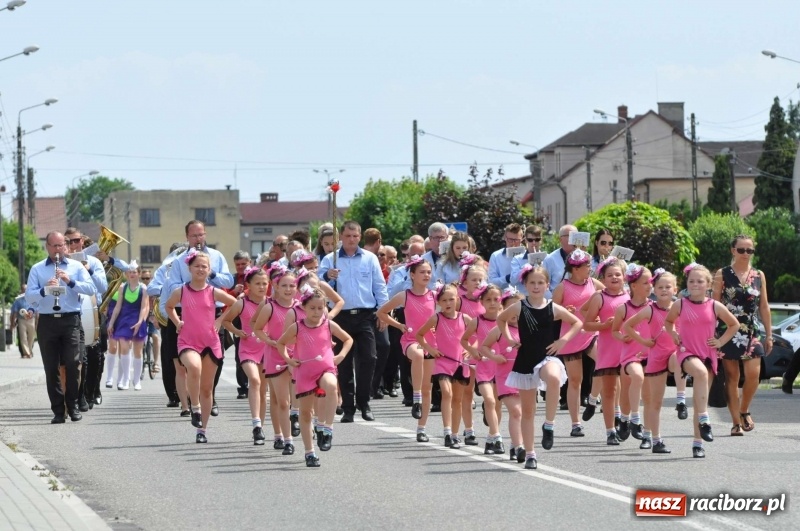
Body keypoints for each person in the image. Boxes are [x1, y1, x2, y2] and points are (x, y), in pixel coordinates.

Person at [496, 265, 581, 469]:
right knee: (528, 411)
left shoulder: (553, 307)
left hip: (547, 356)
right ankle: (530, 454)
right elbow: (501, 319)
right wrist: (508, 337)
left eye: (540, 282)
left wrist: (562, 341)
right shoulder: (519, 307)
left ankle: (549, 424)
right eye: (532, 283)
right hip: (526, 359)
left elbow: (577, 323)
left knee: (553, 377)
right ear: (525, 285)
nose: (536, 286)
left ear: (547, 285)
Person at [665, 263, 739, 458]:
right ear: (686, 284)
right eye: (691, 281)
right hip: (686, 351)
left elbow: (734, 324)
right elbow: (668, 321)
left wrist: (720, 341)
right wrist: (673, 333)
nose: (695, 284)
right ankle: (706, 420)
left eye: (699, 281)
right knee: (699, 373)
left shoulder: (714, 305)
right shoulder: (680, 304)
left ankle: (698, 444)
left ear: (708, 285)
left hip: (708, 354)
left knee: (699, 401)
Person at [318, 220, 389, 423]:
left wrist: (384, 311)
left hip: (366, 314)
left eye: (355, 236)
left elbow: (379, 285)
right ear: (341, 237)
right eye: (348, 236)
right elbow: (316, 282)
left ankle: (364, 402)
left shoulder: (369, 258)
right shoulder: (331, 259)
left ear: (360, 237)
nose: (351, 240)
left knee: (370, 357)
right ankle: (348, 407)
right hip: (340, 315)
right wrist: (327, 275)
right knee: (344, 361)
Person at [277, 287, 353, 467]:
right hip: (305, 373)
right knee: (305, 413)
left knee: (331, 385)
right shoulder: (297, 327)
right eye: (312, 308)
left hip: (326, 368)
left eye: (320, 308)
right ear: (303, 307)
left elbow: (348, 339)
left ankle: (327, 428)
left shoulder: (328, 324)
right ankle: (309, 452)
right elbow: (281, 343)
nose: (317, 312)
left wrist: (341, 355)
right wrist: (289, 359)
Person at [166, 250, 237, 443]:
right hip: (188, 340)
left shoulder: (214, 292)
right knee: (193, 367)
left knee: (207, 390)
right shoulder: (181, 290)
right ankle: (194, 406)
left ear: (209, 269)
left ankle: (202, 430)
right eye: (196, 266)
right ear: (189, 268)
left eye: (204, 266)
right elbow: (169, 306)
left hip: (211, 342)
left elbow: (236, 304)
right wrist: (177, 321)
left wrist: (220, 320)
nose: (200, 269)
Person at [26, 231, 96, 423]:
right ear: (47, 247)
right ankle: (58, 410)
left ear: (65, 246)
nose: (58, 250)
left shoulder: (75, 267)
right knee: (51, 368)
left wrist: (69, 281)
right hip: (47, 321)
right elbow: (29, 297)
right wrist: (44, 289)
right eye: (54, 246)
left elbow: (91, 289)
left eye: (61, 245)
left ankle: (72, 405)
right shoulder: (37, 269)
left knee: (73, 364)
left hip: (70, 320)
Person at [712, 235, 772, 435]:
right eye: (741, 250)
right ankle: (735, 422)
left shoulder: (758, 275)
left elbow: (764, 306)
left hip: (751, 330)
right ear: (733, 250)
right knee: (732, 377)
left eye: (750, 250)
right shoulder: (722, 274)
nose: (746, 254)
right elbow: (714, 305)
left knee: (754, 375)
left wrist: (769, 335)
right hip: (728, 329)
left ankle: (744, 409)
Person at [378, 255, 436, 441]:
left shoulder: (435, 296)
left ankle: (421, 429)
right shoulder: (405, 295)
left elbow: (450, 312)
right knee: (417, 355)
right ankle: (415, 397)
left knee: (428, 387)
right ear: (412, 274)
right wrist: (399, 326)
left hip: (431, 342)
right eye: (422, 272)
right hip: (411, 340)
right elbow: (381, 312)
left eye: (428, 272)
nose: (426, 275)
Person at [623, 268, 679, 454]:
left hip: (674, 355)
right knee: (653, 401)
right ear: (654, 289)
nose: (664, 290)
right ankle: (652, 438)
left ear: (675, 289)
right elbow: (628, 326)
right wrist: (643, 341)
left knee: (678, 359)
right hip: (654, 357)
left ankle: (681, 399)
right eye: (660, 287)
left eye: (668, 287)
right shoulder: (650, 309)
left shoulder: (680, 308)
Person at [551, 249, 604, 438]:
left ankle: (592, 399)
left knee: (603, 364)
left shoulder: (593, 283)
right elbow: (550, 314)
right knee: (575, 380)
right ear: (575, 269)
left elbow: (606, 299)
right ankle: (576, 423)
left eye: (590, 264)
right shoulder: (562, 287)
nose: (590, 268)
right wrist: (564, 310)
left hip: (591, 333)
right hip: (571, 336)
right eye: (587, 265)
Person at [415, 283, 472, 449]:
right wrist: (431, 349)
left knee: (458, 400)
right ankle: (447, 432)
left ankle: (455, 434)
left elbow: (477, 337)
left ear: (457, 300)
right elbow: (419, 335)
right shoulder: (436, 318)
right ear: (438, 302)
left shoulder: (465, 318)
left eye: (451, 299)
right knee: (446, 393)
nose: (448, 303)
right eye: (444, 300)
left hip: (460, 363)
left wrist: (470, 349)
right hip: (442, 362)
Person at [580, 257, 629, 444]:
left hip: (627, 349)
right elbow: (587, 323)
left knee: (628, 388)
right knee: (609, 391)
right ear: (603, 278)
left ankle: (626, 420)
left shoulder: (630, 298)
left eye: (618, 274)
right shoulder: (600, 297)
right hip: (608, 349)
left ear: (624, 277)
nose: (614, 278)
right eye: (610, 275)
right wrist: (603, 325)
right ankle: (610, 431)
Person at [252, 265, 299, 453]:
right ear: (276, 287)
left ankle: (296, 421)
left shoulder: (302, 307)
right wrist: (269, 341)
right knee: (281, 400)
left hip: (297, 356)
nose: (288, 290)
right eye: (284, 286)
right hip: (275, 356)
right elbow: (256, 328)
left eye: (292, 286)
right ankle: (284, 438)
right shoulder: (269, 307)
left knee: (298, 398)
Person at [222, 266, 269, 445]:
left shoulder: (270, 303)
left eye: (265, 283)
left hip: (266, 348)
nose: (262, 287)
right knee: (254, 381)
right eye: (257, 283)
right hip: (247, 349)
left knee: (263, 389)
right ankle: (256, 423)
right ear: (248, 284)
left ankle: (260, 429)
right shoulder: (242, 303)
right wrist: (238, 331)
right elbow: (226, 320)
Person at [65, 227, 108, 412]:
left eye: (75, 240)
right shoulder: (62, 263)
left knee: (95, 355)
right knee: (78, 357)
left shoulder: (94, 261)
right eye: (68, 242)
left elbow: (103, 287)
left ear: (82, 240)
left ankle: (91, 392)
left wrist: (88, 269)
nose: (73, 245)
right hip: (73, 311)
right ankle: (80, 395)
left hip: (94, 311)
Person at [611, 263, 653, 445]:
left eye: (651, 282)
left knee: (649, 396)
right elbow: (614, 330)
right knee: (631, 387)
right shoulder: (623, 308)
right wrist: (622, 337)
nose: (650, 285)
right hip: (630, 355)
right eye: (646, 282)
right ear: (634, 286)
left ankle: (647, 433)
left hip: (650, 355)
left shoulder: (654, 306)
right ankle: (627, 419)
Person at [480, 287, 524, 460]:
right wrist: (494, 356)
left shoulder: (528, 328)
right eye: (509, 308)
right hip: (505, 377)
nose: (513, 313)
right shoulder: (499, 329)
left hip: (525, 375)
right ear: (503, 309)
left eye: (517, 308)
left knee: (523, 413)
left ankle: (513, 444)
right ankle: (519, 447)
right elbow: (484, 347)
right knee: (516, 411)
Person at [461, 283, 503, 454]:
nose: (492, 303)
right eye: (488, 300)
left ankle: (491, 437)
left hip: (501, 367)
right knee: (489, 400)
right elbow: (464, 340)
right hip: (484, 367)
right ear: (482, 302)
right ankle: (498, 437)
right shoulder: (477, 321)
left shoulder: (505, 320)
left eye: (496, 299)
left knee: (498, 404)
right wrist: (473, 352)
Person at [146, 242, 188, 410]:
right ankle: (173, 394)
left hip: (189, 316)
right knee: (170, 358)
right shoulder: (163, 270)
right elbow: (151, 288)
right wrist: (169, 288)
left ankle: (191, 395)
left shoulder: (190, 269)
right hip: (169, 317)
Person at [106, 261, 150, 390]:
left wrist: (140, 321)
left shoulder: (143, 289)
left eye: (134, 272)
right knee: (124, 348)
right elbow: (118, 307)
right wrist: (112, 322)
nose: (132, 274)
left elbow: (143, 307)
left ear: (139, 274)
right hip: (124, 321)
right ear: (127, 274)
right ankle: (125, 379)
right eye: (130, 272)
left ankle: (136, 381)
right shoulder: (122, 287)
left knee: (138, 351)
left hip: (137, 320)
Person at [227, 250, 252, 400]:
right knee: (240, 352)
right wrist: (233, 292)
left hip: (255, 317)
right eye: (238, 265)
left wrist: (247, 292)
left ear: (250, 263)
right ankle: (243, 386)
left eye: (244, 264)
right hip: (237, 319)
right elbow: (223, 297)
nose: (241, 267)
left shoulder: (255, 276)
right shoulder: (232, 279)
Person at [542, 224, 578, 296]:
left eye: (575, 235)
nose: (573, 239)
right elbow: (544, 285)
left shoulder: (586, 257)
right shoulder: (550, 259)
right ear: (560, 239)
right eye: (569, 235)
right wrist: (553, 301)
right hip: (557, 302)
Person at [488, 223, 524, 290]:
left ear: (521, 239)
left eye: (516, 240)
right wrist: (506, 278)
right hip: (503, 297)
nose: (513, 243)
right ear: (505, 238)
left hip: (524, 296)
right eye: (510, 240)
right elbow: (491, 282)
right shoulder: (496, 256)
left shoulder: (527, 256)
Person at [510, 225, 544, 294]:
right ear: (525, 240)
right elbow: (513, 280)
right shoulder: (517, 259)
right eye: (530, 240)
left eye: (537, 240)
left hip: (543, 298)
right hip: (524, 298)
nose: (534, 243)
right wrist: (528, 265)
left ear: (541, 240)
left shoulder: (548, 258)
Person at [140, 269, 160, 373]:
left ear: (151, 278)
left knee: (155, 337)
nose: (145, 281)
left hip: (152, 317)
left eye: (147, 278)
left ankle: (156, 363)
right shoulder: (139, 289)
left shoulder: (154, 289)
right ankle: (138, 360)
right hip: (141, 317)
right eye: (143, 278)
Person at [10, 285, 36, 359]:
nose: (25, 291)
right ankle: (26, 353)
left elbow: (37, 311)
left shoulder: (32, 299)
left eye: (26, 290)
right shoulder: (18, 300)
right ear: (21, 291)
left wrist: (37, 322)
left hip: (31, 319)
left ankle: (30, 351)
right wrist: (12, 323)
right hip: (22, 320)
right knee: (23, 337)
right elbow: (14, 312)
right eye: (23, 290)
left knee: (31, 337)